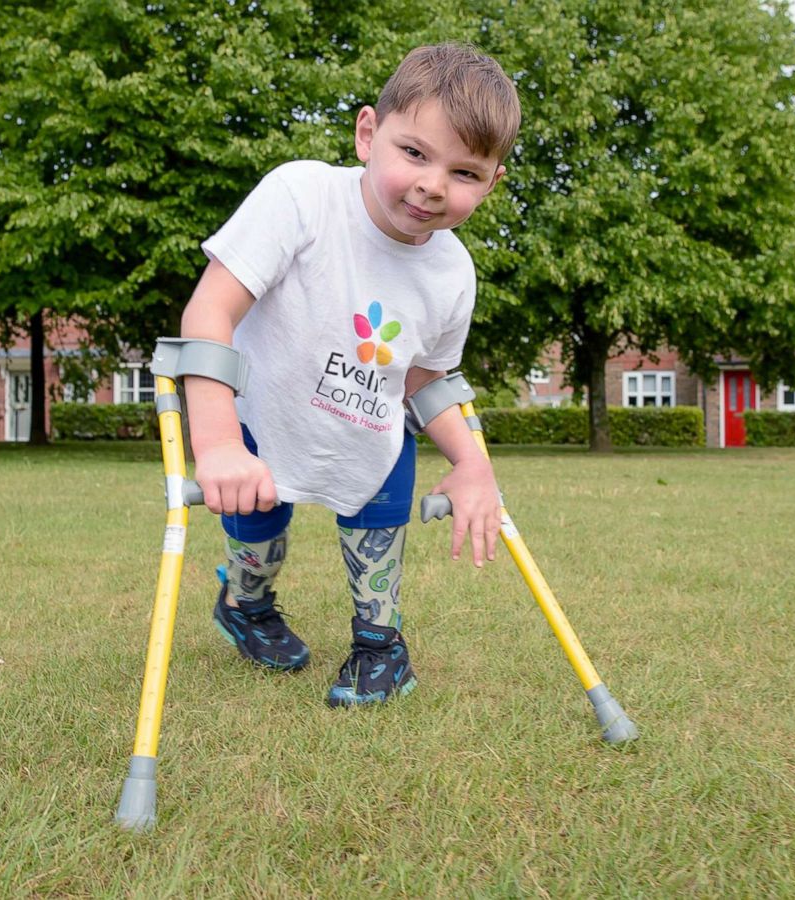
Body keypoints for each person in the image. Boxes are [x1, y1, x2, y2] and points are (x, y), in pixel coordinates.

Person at [178, 42, 520, 706]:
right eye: (415, 153)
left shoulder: (453, 273)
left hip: (370, 426)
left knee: (377, 538)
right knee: (259, 535)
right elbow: (209, 311)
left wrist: (474, 464)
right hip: (263, 415)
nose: (432, 185)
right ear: (368, 133)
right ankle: (245, 607)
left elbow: (428, 381)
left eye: (465, 173)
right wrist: (218, 443)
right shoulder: (300, 195)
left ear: (492, 182)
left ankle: (379, 650)